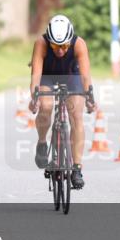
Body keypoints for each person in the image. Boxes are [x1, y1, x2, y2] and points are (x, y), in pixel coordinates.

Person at [28, 14, 95, 190]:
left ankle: (77, 168)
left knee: (76, 116)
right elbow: (35, 75)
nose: (60, 50)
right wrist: (34, 98)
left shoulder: (79, 44)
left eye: (64, 46)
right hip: (47, 76)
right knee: (46, 106)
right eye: (55, 46)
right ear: (49, 41)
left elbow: (86, 75)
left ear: (70, 41)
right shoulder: (41, 43)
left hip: (72, 75)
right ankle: (42, 141)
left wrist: (89, 97)